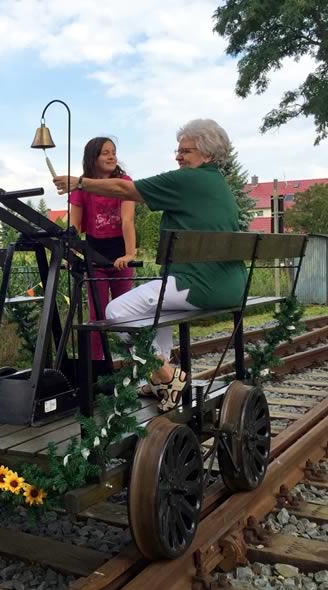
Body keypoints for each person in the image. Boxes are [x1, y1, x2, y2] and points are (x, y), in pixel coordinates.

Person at [54, 119, 246, 412]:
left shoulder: (187, 180)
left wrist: (80, 182)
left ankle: (168, 375)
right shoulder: (218, 183)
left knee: (116, 311)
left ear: (207, 154)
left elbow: (125, 188)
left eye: (187, 151)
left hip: (197, 285)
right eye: (178, 150)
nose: (179, 156)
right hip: (231, 287)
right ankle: (159, 377)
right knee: (156, 309)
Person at [69, 137, 136, 361]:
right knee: (97, 314)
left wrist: (130, 253)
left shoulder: (124, 183)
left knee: (125, 311)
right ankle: (96, 365)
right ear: (92, 158)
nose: (111, 156)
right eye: (105, 153)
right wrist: (70, 255)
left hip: (120, 254)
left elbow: (127, 220)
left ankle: (133, 362)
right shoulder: (82, 186)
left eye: (113, 152)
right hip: (94, 256)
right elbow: (74, 226)